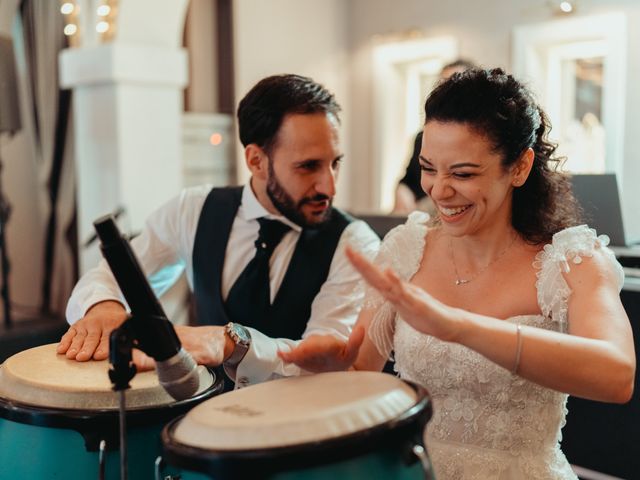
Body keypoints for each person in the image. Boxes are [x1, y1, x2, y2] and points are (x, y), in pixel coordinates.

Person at [280, 68, 635, 479]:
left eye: (463, 174)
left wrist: (458, 326)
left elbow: (616, 374)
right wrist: (332, 370)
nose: (439, 190)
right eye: (429, 168)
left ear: (519, 167)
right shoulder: (405, 247)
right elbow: (362, 374)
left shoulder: (571, 261)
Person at [58, 74, 380, 389]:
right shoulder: (193, 210)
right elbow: (107, 277)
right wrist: (105, 309)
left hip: (301, 431)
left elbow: (326, 365)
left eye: (335, 162)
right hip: (202, 421)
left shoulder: (354, 243)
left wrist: (228, 343)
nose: (329, 185)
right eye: (309, 166)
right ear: (256, 161)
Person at [394, 58, 476, 215]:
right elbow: (409, 179)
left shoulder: (479, 139)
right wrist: (403, 191)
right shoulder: (421, 138)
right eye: (443, 84)